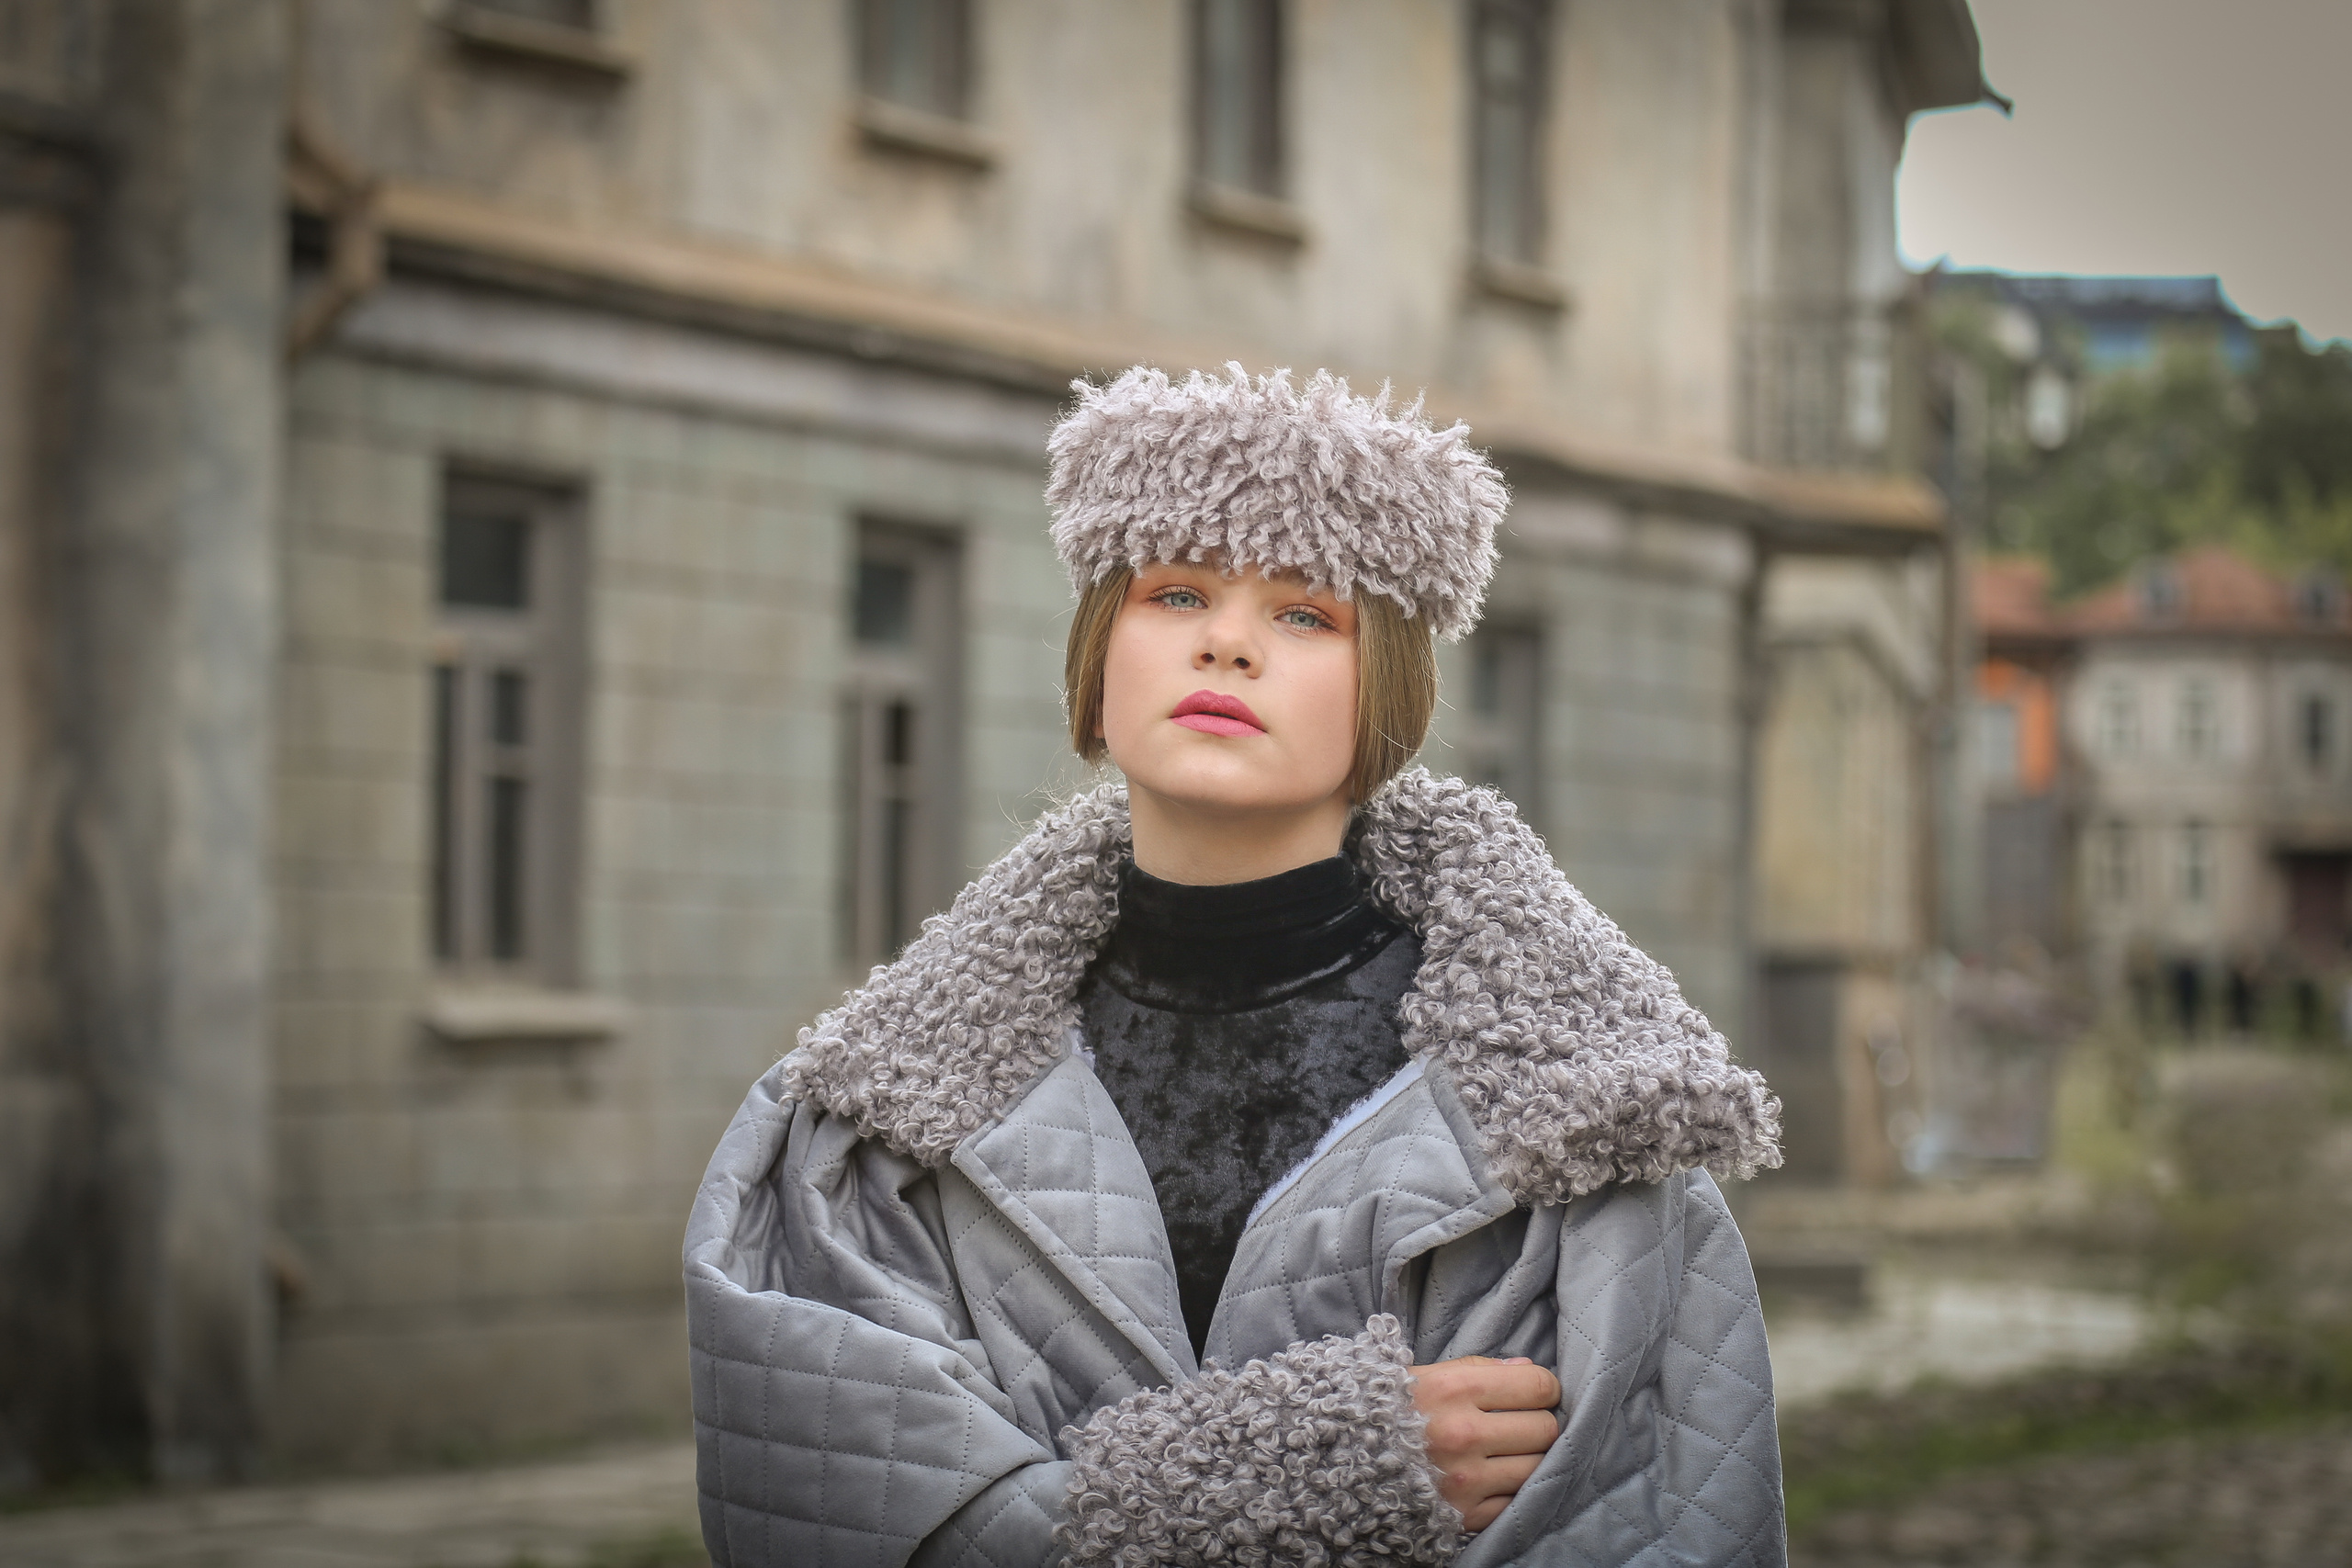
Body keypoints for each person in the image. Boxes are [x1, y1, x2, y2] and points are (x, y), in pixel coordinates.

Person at [684, 366, 1787, 1567]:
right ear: (1100, 667)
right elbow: (825, 1512)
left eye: (1305, 611)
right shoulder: (869, 1134)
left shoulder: (1584, 1126)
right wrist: (1315, 1474)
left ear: (1388, 692)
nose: (1226, 641)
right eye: (1176, 592)